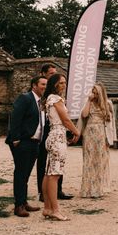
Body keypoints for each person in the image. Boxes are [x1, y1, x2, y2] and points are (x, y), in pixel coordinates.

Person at [6, 75, 47, 217]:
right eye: (42, 84)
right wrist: (16, 138)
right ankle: (18, 206)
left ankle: (24, 202)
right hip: (23, 142)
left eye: (46, 84)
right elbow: (15, 117)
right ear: (34, 85)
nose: (45, 87)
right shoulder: (26, 98)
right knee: (21, 173)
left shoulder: (40, 101)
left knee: (26, 174)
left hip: (35, 142)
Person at [41, 73, 81, 221]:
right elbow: (65, 119)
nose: (64, 85)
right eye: (61, 83)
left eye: (65, 83)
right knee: (54, 175)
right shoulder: (56, 99)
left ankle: (47, 208)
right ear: (55, 84)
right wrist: (76, 132)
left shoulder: (50, 99)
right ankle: (55, 210)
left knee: (49, 173)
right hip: (57, 137)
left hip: (53, 136)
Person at [36, 64, 72, 202]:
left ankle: (58, 190)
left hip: (56, 130)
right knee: (44, 163)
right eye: (51, 74)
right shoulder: (46, 94)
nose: (54, 76)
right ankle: (43, 193)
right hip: (46, 131)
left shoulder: (57, 96)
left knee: (56, 163)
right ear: (43, 74)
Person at [77, 83, 115, 198]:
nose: (93, 94)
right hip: (89, 132)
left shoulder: (108, 104)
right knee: (88, 161)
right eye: (92, 91)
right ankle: (86, 190)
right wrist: (88, 100)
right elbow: (84, 115)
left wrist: (110, 139)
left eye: (96, 92)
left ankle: (97, 189)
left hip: (101, 134)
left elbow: (111, 124)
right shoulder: (89, 102)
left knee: (99, 161)